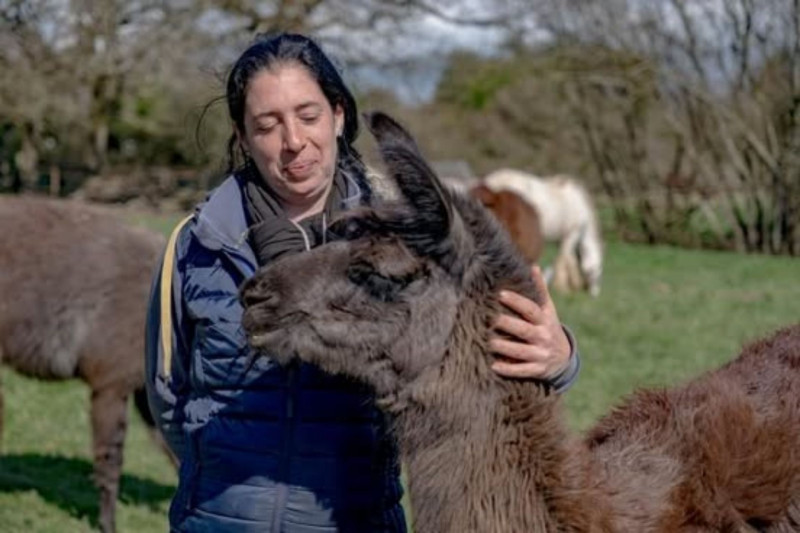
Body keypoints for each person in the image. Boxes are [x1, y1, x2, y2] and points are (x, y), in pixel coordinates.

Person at [144, 32, 581, 533]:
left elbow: (483, 367)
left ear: (338, 116)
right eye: (267, 125)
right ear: (242, 137)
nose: (293, 141)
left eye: (308, 116)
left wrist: (562, 357)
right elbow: (168, 395)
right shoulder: (197, 245)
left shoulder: (407, 242)